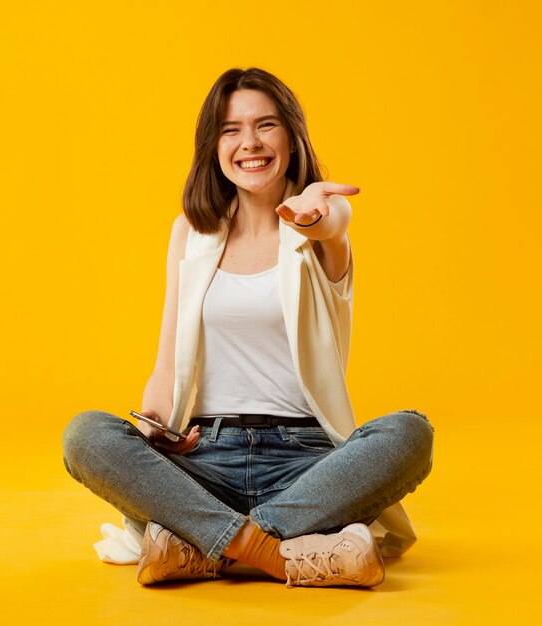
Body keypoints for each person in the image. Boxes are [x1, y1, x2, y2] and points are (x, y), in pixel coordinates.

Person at [63, 67, 434, 588]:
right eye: (231, 129)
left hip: (306, 466)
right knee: (86, 435)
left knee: (410, 433)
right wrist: (154, 427)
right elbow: (167, 363)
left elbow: (332, 225)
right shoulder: (191, 232)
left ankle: (207, 547)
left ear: (291, 135)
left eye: (267, 125)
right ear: (213, 145)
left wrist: (311, 219)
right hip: (205, 460)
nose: (250, 143)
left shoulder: (322, 219)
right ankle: (278, 552)